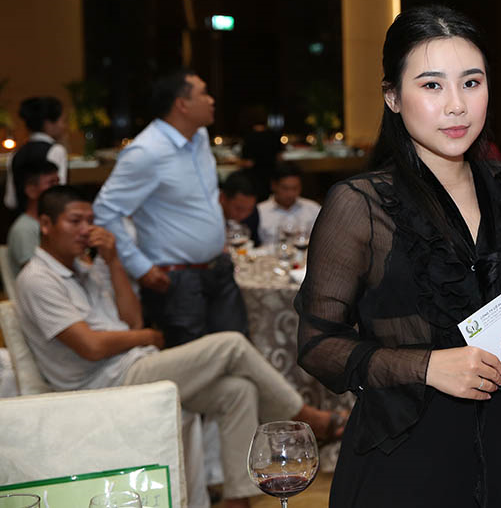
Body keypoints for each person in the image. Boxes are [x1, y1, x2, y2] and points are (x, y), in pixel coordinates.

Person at [295, 5, 501, 508]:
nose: (456, 106)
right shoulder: (361, 204)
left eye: (471, 83)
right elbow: (317, 344)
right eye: (431, 85)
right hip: (405, 459)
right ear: (392, 97)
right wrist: (427, 366)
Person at [15, 186, 338, 508]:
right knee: (231, 344)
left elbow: (132, 320)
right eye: (75, 221)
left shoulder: (86, 268)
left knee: (238, 390)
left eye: (90, 220)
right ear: (46, 224)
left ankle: (237, 500)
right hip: (102, 382)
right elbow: (91, 347)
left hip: (132, 366)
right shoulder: (38, 279)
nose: (86, 229)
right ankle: (310, 418)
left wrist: (113, 263)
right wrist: (147, 337)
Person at [93, 70, 247, 348]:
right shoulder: (146, 152)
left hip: (219, 268)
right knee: (193, 363)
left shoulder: (199, 136)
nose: (212, 100)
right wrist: (140, 267)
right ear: (182, 104)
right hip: (178, 279)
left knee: (237, 352)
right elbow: (105, 210)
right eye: (203, 93)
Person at [4, 96, 68, 210]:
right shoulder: (56, 150)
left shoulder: (16, 154)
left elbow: (10, 201)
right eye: (63, 121)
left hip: (23, 216)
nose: (64, 126)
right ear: (48, 124)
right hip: (48, 216)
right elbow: (60, 195)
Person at [6, 160, 61, 273]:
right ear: (31, 190)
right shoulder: (24, 229)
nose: (58, 189)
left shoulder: (53, 222)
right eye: (51, 183)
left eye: (58, 182)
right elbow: (33, 273)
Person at [256, 162, 321, 245]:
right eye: (285, 188)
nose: (290, 194)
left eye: (295, 188)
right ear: (273, 186)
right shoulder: (259, 211)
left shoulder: (313, 208)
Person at [219, 171, 261, 246]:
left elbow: (255, 244)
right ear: (222, 198)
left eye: (249, 209)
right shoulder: (209, 218)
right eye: (239, 209)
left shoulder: (252, 214)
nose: (243, 215)